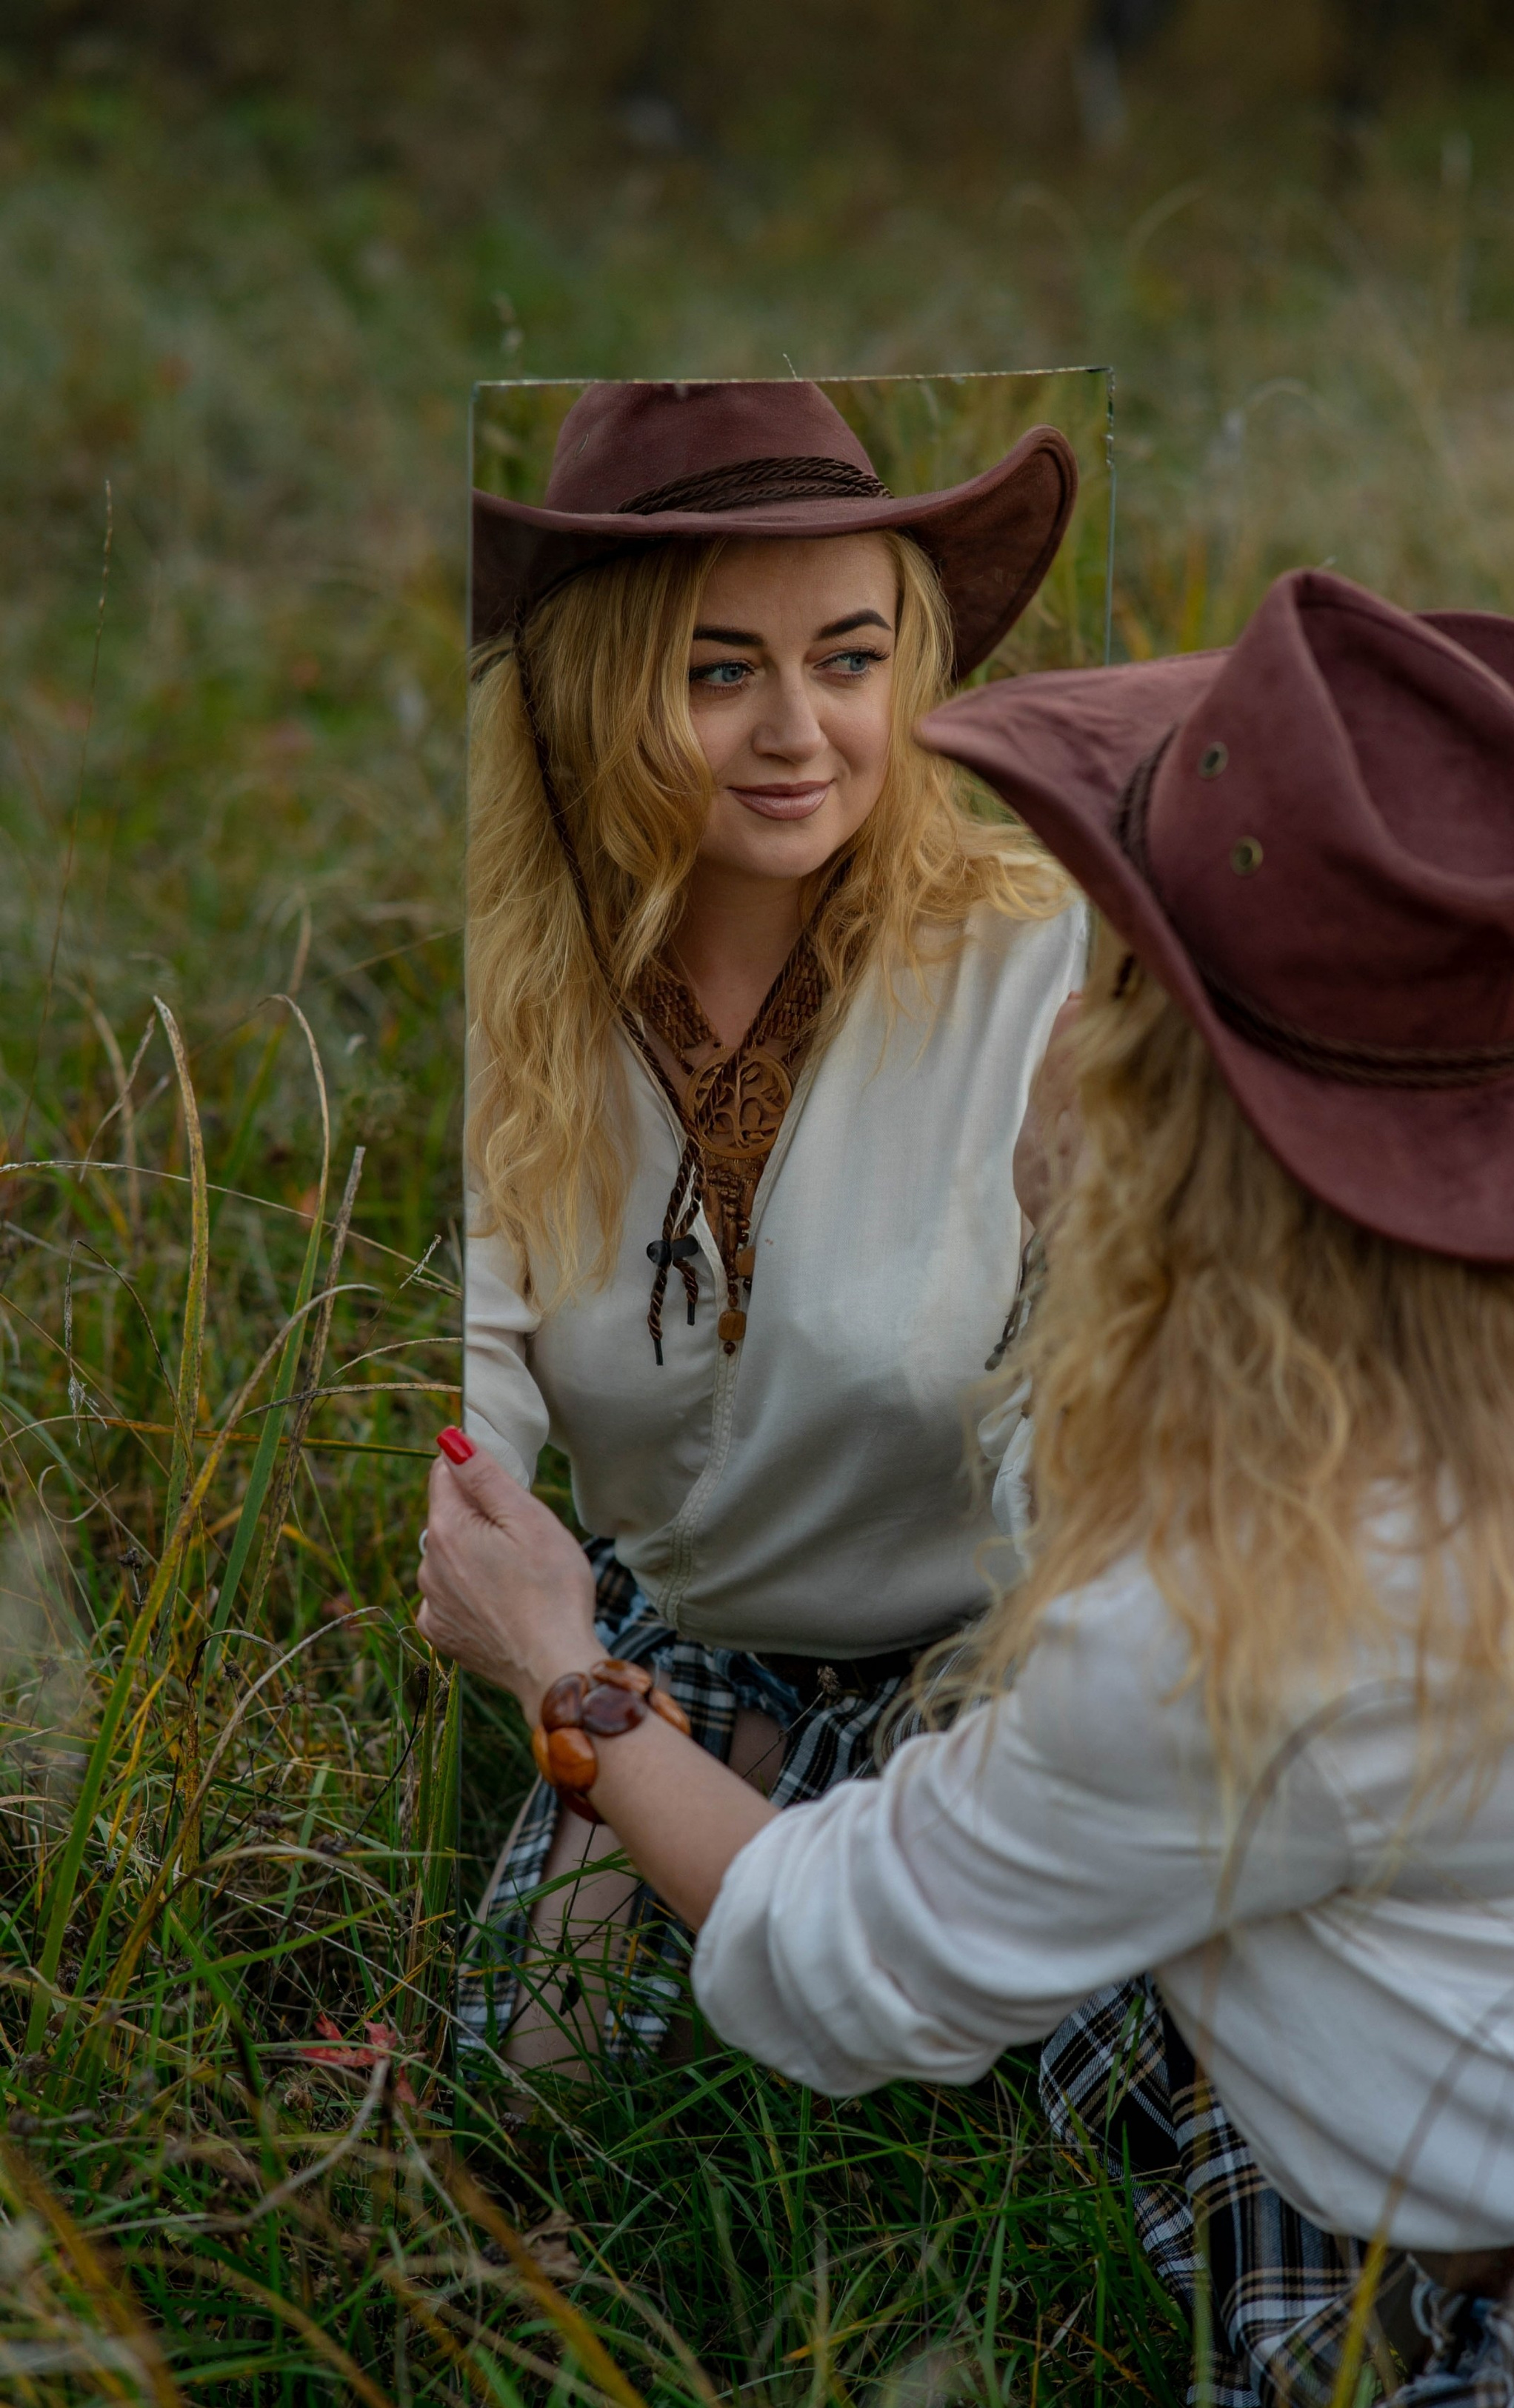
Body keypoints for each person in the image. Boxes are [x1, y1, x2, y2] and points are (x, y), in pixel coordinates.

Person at [422, 564, 1514, 2408]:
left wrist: (573, 1676)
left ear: (1165, 1090)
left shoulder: (1232, 1622)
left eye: (1109, 979)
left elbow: (843, 1972)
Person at [458, 376, 1086, 2075]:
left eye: (850, 657)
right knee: (533, 2084)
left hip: (997, 1671)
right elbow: (468, 1388)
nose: (800, 728)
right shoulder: (516, 1009)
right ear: (599, 687)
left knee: (1105, 2103)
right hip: (677, 1651)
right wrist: (486, 1540)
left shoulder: (1044, 969)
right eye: (717, 668)